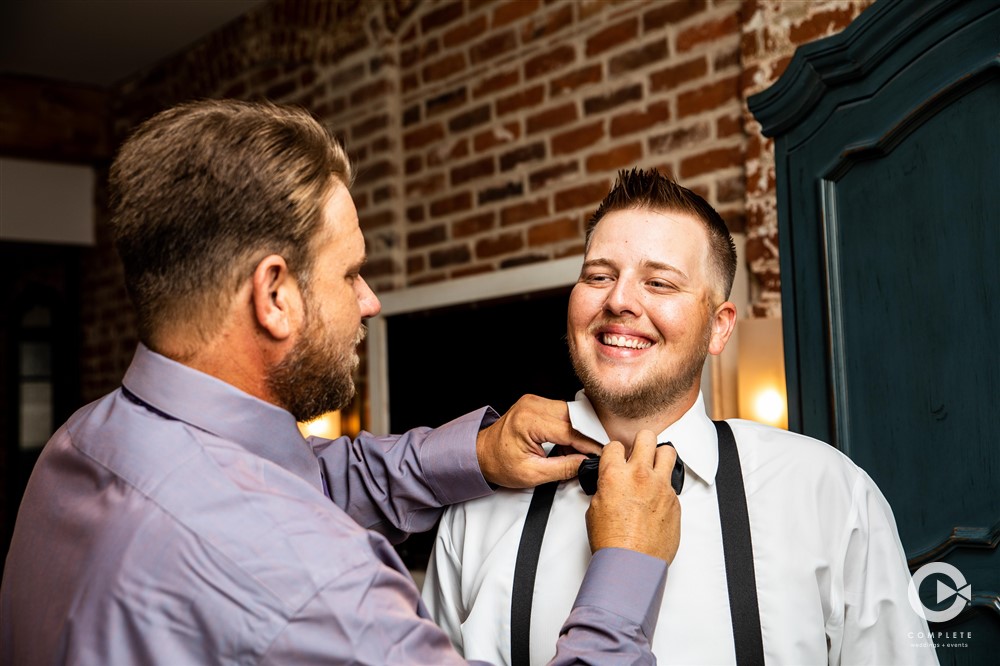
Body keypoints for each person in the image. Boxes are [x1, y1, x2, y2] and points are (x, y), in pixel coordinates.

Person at [0, 102, 682, 665]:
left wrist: (477, 454)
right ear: (274, 296)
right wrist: (624, 569)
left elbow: (299, 477)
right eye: (350, 273)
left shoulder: (83, 445)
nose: (370, 301)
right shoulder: (319, 584)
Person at [423, 168, 939, 665]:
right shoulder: (474, 517)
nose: (619, 300)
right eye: (599, 275)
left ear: (719, 327)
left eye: (661, 284)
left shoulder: (829, 494)